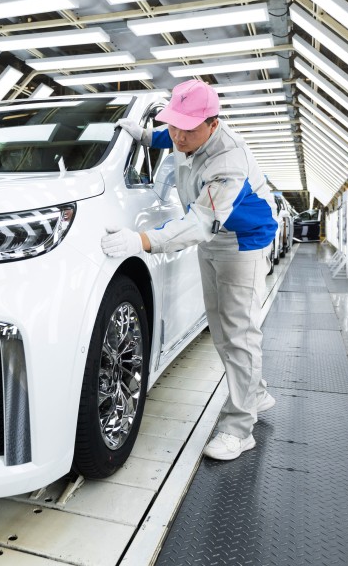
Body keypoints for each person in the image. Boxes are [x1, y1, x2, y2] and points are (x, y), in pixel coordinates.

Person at [101, 80, 278, 461]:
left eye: (188, 128)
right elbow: (169, 136)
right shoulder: (185, 132)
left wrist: (143, 241)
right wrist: (145, 136)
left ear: (213, 125)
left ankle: (239, 428)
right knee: (220, 326)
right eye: (173, 124)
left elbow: (200, 223)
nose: (178, 136)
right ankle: (255, 391)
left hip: (242, 242)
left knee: (239, 333)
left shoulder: (227, 162)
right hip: (215, 239)